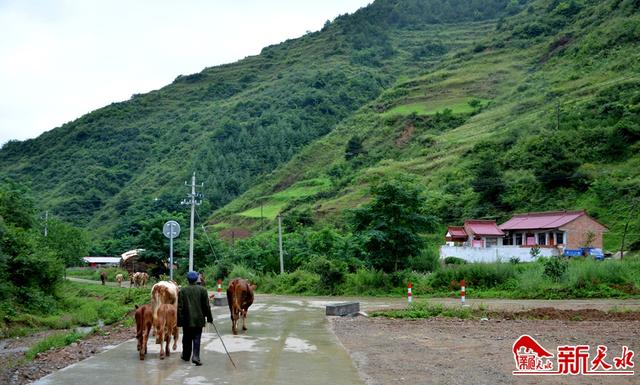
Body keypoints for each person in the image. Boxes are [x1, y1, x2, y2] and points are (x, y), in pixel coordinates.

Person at [177, 271, 213, 366]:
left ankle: (186, 356)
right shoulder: (203, 290)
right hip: (199, 319)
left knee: (186, 338)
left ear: (187, 280)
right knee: (197, 338)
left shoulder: (183, 291)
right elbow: (206, 306)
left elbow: (180, 307)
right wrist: (209, 318)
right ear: (197, 279)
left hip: (187, 320)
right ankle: (196, 357)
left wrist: (179, 321)